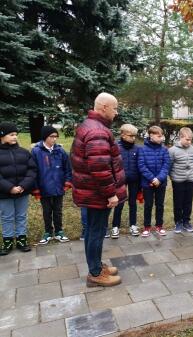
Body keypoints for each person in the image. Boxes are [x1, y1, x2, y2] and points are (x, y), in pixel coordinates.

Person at [70, 92, 127, 287]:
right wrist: (111, 193)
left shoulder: (91, 126)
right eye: (115, 108)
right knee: (96, 232)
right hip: (97, 194)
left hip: (91, 192)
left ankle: (95, 265)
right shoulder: (98, 132)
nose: (116, 112)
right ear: (104, 107)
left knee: (94, 230)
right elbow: (100, 168)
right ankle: (95, 273)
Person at [0, 122, 37, 255]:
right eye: (11, 135)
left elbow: (32, 170)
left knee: (21, 216)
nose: (15, 137)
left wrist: (23, 185)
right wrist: (9, 188)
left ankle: (22, 239)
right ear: (2, 136)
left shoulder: (23, 152)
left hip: (22, 191)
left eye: (16, 134)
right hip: (4, 193)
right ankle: (8, 241)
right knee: (7, 217)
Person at [32, 125, 72, 245]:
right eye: (51, 136)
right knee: (47, 210)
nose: (54, 139)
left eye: (56, 137)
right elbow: (33, 171)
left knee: (58, 210)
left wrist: (67, 182)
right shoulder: (36, 151)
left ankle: (59, 231)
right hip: (44, 188)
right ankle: (48, 232)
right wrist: (36, 188)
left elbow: (68, 168)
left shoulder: (60, 151)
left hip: (58, 187)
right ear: (45, 137)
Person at [138, 125, 170, 237]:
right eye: (159, 136)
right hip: (147, 183)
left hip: (161, 183)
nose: (161, 138)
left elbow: (166, 166)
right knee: (148, 205)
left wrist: (159, 179)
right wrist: (152, 179)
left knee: (160, 205)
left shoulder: (165, 150)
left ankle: (159, 226)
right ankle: (147, 227)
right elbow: (141, 166)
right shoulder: (142, 149)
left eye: (162, 136)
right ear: (151, 135)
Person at [110, 124, 141, 238]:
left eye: (134, 136)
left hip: (134, 180)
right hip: (120, 181)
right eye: (130, 135)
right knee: (119, 202)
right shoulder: (116, 147)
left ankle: (133, 225)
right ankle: (115, 227)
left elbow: (140, 165)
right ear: (123, 135)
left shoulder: (137, 149)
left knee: (133, 203)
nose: (133, 138)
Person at [169, 127, 193, 233]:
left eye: (191, 140)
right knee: (178, 202)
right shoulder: (172, 150)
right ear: (180, 137)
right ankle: (178, 222)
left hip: (190, 180)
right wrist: (173, 177)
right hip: (178, 181)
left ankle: (186, 221)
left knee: (188, 202)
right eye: (187, 139)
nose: (189, 142)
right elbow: (170, 165)